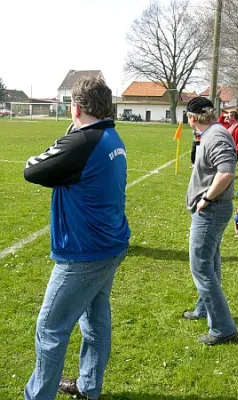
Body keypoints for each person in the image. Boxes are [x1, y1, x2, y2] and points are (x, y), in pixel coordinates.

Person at [24, 77, 130, 400]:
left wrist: (70, 133)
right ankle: (88, 388)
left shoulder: (82, 142)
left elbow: (32, 169)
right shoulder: (112, 137)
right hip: (110, 244)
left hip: (84, 253)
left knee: (50, 329)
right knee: (95, 322)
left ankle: (37, 395)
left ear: (77, 107)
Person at [182, 96, 238, 346]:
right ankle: (203, 309)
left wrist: (205, 198)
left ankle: (223, 328)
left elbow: (226, 172)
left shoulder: (215, 136)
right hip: (212, 210)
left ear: (191, 118)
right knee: (210, 262)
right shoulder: (212, 133)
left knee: (201, 267)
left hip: (211, 210)